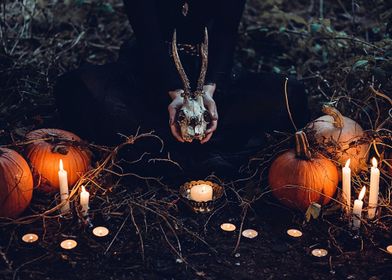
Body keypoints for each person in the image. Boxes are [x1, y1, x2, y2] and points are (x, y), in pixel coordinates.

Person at [54, 0, 309, 177]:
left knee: (290, 96)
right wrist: (175, 93)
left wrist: (209, 91)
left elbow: (226, 32)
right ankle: (199, 150)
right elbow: (148, 37)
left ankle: (169, 147)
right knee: (76, 90)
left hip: (213, 74)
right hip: (150, 73)